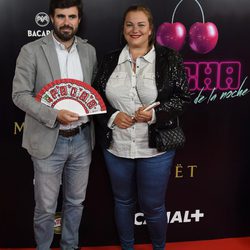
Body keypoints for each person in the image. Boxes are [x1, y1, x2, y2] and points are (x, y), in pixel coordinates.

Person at [93, 4, 191, 250]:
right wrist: (114, 117)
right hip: (117, 147)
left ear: (150, 30)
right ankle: (127, 247)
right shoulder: (108, 60)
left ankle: (159, 247)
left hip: (155, 149)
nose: (134, 30)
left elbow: (182, 98)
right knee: (123, 202)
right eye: (129, 24)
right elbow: (95, 98)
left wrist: (155, 115)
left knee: (153, 205)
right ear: (123, 29)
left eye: (140, 25)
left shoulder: (170, 58)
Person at [12, 0, 97, 249]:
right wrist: (54, 114)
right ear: (51, 18)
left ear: (79, 20)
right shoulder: (31, 50)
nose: (66, 22)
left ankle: (70, 246)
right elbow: (19, 95)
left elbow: (91, 94)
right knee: (46, 207)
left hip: (82, 139)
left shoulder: (88, 51)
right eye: (61, 16)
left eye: (71, 17)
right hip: (49, 139)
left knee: (76, 202)